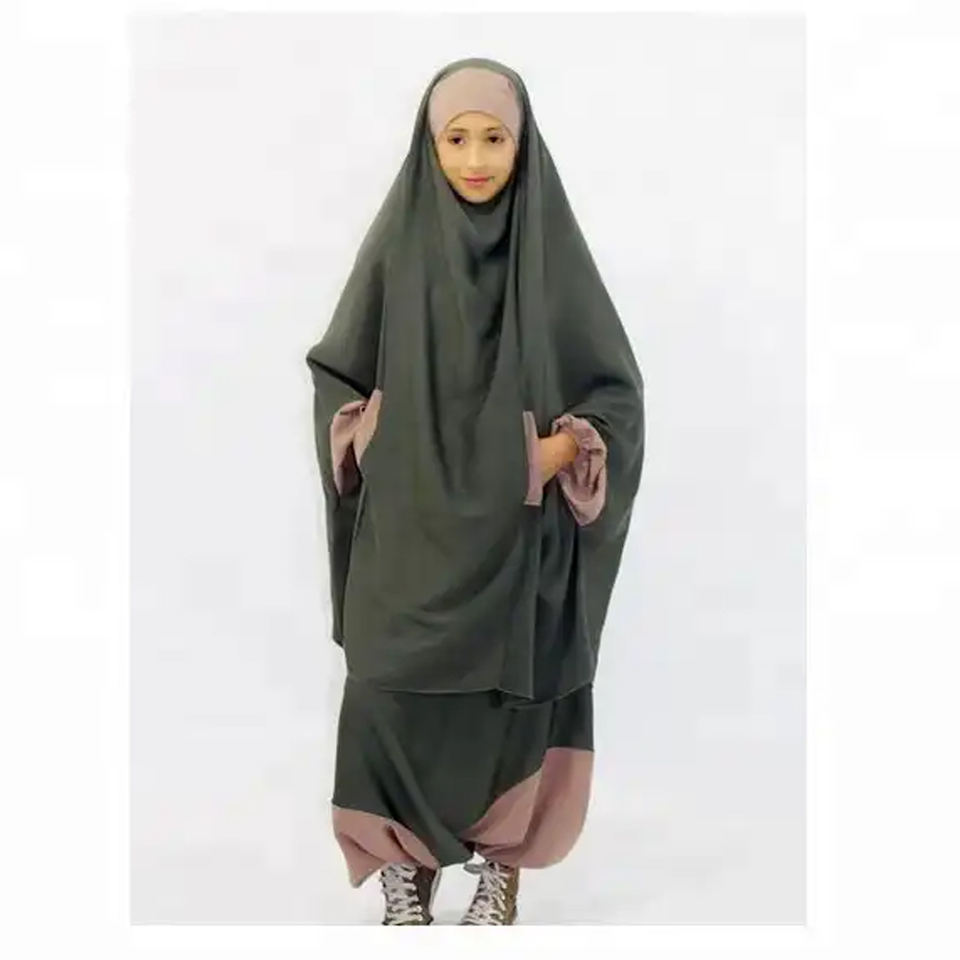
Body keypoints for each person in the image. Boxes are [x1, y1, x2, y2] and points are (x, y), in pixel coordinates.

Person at [305, 57, 645, 925]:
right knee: (387, 686)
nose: (476, 158)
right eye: (455, 139)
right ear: (429, 146)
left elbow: (616, 392)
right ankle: (402, 864)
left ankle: (502, 865)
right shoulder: (399, 247)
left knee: (509, 697)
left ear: (524, 146)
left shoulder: (551, 257)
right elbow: (338, 371)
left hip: (515, 534)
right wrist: (375, 435)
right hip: (409, 528)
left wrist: (557, 450)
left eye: (495, 138)